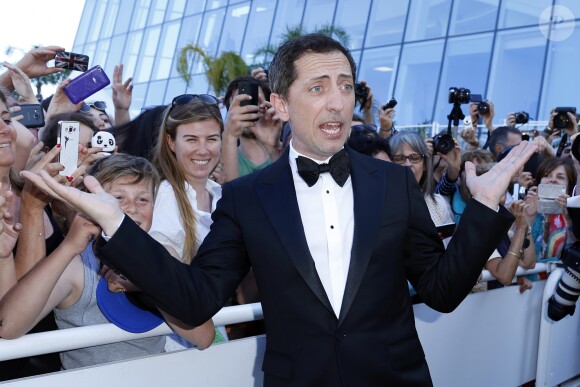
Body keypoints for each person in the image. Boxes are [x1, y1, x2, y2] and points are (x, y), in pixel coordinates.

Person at [23, 33, 537, 386]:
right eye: (318, 88)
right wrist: (115, 221)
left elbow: (441, 291)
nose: (337, 102)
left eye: (344, 86)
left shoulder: (393, 185)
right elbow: (197, 297)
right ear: (283, 105)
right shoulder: (248, 197)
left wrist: (483, 207)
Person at [0, 153, 214, 370]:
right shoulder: (78, 265)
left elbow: (204, 336)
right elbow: (8, 326)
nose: (132, 207)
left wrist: (145, 281)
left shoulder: (163, 255)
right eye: (118, 198)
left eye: (143, 199)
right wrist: (69, 246)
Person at [148, 95, 229, 347]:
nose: (203, 149)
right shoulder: (166, 195)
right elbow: (164, 282)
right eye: (191, 139)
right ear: (171, 142)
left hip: (214, 333)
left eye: (212, 139)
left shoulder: (221, 194)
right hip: (178, 344)